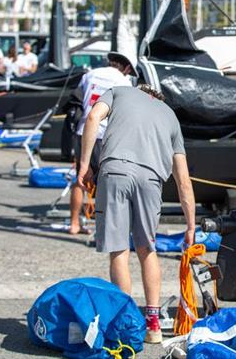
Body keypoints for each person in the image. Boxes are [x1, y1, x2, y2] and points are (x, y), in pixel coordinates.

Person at [77, 85, 196, 344]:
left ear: (140, 90)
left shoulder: (119, 92)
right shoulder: (170, 116)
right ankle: (153, 325)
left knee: (119, 249)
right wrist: (190, 224)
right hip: (152, 179)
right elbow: (183, 180)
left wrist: (85, 164)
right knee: (147, 248)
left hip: (116, 170)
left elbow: (93, 117)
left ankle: (124, 322)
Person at [69, 52, 135, 235]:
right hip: (106, 134)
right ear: (127, 68)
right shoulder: (124, 82)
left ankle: (74, 223)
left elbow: (77, 100)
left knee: (80, 179)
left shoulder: (89, 75)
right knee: (106, 183)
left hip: (83, 131)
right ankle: (104, 228)